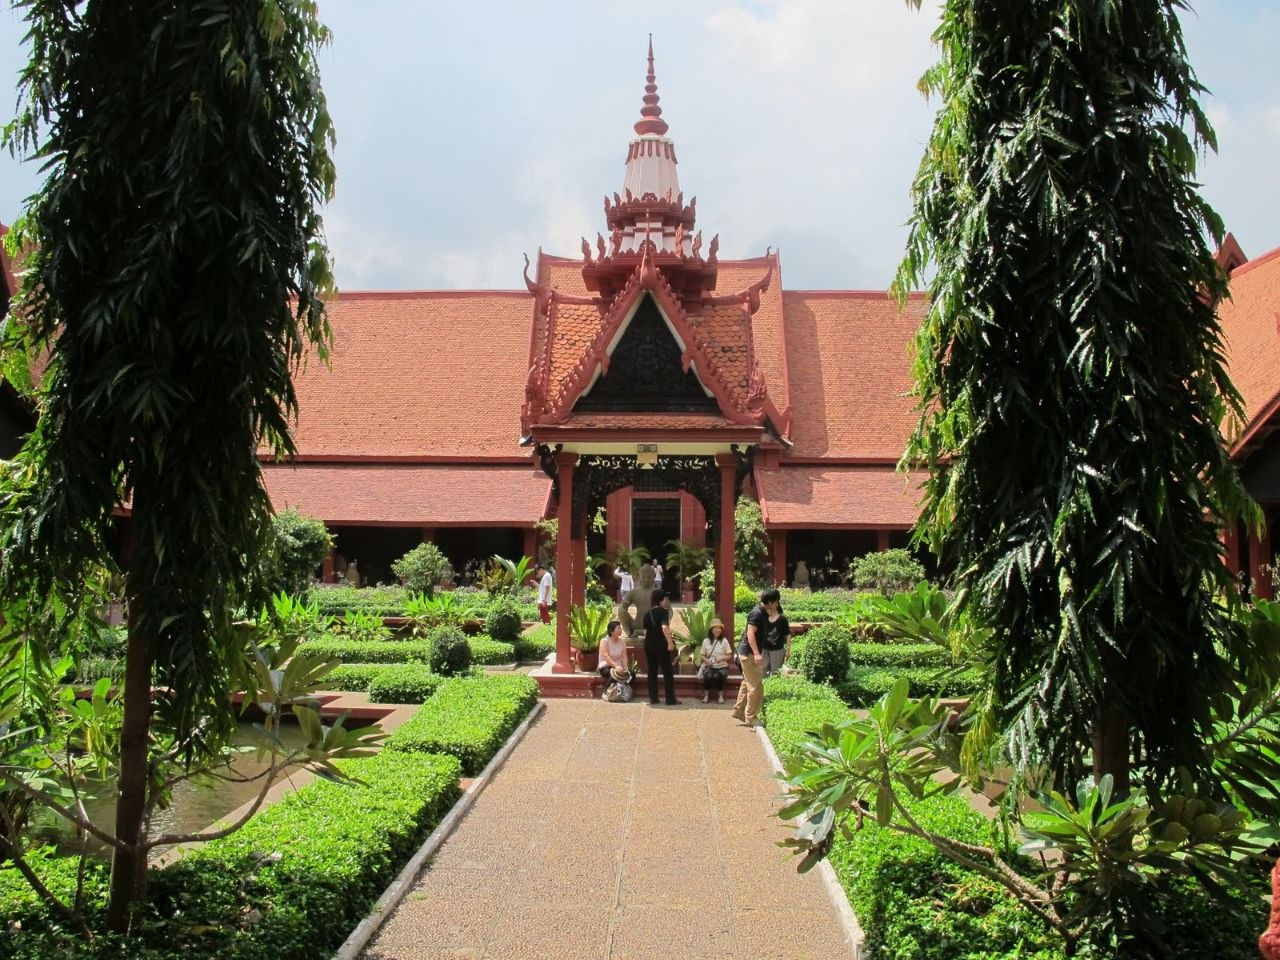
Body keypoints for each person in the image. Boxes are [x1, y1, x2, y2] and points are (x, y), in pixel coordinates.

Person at [732, 587, 781, 726]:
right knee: (756, 686)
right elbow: (750, 633)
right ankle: (751, 717)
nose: (777, 604)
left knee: (747, 683)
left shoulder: (763, 612)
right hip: (749, 653)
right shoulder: (757, 613)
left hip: (746, 653)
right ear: (770, 601)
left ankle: (738, 711)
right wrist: (757, 653)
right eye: (776, 601)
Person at [641, 589, 679, 705]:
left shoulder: (647, 614)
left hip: (649, 645)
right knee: (667, 671)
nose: (666, 601)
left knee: (652, 672)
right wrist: (670, 642)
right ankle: (670, 699)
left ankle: (654, 698)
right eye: (665, 598)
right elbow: (664, 627)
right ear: (661, 600)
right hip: (661, 645)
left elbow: (645, 632)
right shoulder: (664, 612)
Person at [699, 617, 732, 704]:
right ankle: (706, 695)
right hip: (710, 666)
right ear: (711, 630)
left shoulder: (724, 641)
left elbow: (729, 655)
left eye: (719, 628)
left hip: (722, 667)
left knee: (718, 676)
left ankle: (721, 696)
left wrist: (722, 658)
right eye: (716, 628)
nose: (718, 630)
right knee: (708, 675)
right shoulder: (706, 641)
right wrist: (707, 661)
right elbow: (702, 655)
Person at [597, 619, 631, 696]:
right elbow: (606, 656)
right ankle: (607, 692)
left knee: (631, 675)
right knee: (614, 675)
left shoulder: (622, 641)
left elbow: (624, 656)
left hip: (620, 667)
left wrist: (626, 668)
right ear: (611, 631)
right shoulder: (604, 641)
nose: (620, 630)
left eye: (620, 628)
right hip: (606, 666)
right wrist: (616, 667)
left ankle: (625, 692)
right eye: (618, 628)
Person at [760, 606, 792, 678]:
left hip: (777, 650)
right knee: (762, 673)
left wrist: (788, 650)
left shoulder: (783, 620)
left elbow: (788, 635)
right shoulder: (764, 618)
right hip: (764, 649)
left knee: (776, 673)